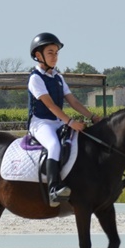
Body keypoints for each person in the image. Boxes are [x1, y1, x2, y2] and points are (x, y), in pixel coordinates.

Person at [27, 32, 102, 206]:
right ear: (39, 55)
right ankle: (53, 189)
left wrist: (92, 116)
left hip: (57, 121)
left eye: (56, 53)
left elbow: (73, 101)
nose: (55, 57)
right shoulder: (35, 78)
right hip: (41, 123)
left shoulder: (58, 77)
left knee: (84, 140)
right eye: (50, 53)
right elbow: (50, 106)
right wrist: (70, 122)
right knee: (54, 145)